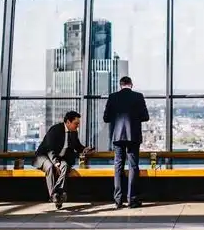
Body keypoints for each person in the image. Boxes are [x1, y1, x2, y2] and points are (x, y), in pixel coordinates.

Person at [103, 76, 149, 209]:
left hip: (117, 137)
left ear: (120, 85)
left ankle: (118, 200)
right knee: (133, 166)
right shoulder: (138, 96)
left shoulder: (113, 97)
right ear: (131, 85)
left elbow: (106, 118)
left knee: (118, 166)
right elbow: (145, 117)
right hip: (133, 136)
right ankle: (132, 199)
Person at [34, 111, 92, 209]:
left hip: (59, 158)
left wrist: (84, 149)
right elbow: (49, 149)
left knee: (65, 166)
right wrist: (56, 163)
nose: (77, 126)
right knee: (50, 167)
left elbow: (77, 146)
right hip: (44, 156)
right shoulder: (55, 130)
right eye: (76, 123)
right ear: (68, 122)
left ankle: (56, 194)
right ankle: (56, 196)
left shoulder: (74, 132)